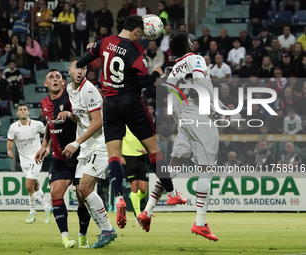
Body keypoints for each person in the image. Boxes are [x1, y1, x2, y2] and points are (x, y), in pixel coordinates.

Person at [76, 15, 186, 229]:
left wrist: (95, 49)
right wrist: (155, 72)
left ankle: (118, 198)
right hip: (131, 103)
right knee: (154, 151)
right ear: (137, 32)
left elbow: (81, 62)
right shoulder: (136, 51)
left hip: (109, 104)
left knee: (114, 157)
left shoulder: (104, 42)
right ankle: (172, 194)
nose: (141, 37)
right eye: (141, 34)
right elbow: (144, 82)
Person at [138, 32, 219, 240]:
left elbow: (172, 105)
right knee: (207, 170)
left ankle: (147, 211)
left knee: (173, 167)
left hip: (183, 119)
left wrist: (182, 121)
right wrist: (210, 109)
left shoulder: (173, 71)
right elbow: (199, 80)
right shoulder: (197, 59)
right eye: (191, 41)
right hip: (200, 116)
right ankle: (200, 222)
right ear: (189, 45)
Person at [61, 58, 117, 248]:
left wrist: (75, 143)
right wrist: (70, 115)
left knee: (85, 188)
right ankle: (102, 229)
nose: (80, 71)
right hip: (87, 147)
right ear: (69, 70)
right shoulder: (70, 89)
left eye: (83, 68)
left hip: (100, 144)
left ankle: (107, 229)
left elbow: (97, 122)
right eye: (77, 67)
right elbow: (82, 117)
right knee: (81, 194)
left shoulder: (89, 90)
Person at [34, 69, 82, 248]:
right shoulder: (44, 102)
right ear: (45, 84)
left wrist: (69, 115)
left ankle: (83, 233)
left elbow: (85, 120)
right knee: (55, 193)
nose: (55, 79)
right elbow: (49, 124)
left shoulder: (71, 98)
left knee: (82, 197)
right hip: (59, 158)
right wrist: (44, 146)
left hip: (79, 156)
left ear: (63, 83)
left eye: (58, 77)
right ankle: (65, 236)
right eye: (51, 78)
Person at [7, 104, 52, 223]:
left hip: (36, 157)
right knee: (35, 185)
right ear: (17, 113)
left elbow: (48, 134)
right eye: (20, 110)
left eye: (25, 109)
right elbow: (10, 140)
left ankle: (32, 212)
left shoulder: (37, 125)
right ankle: (47, 208)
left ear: (28, 112)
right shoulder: (13, 127)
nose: (22, 111)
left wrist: (47, 148)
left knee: (28, 185)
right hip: (23, 160)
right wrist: (9, 150)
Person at [121, 126, 149, 218]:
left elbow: (150, 138)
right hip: (128, 158)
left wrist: (147, 148)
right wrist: (120, 155)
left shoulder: (140, 124)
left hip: (141, 157)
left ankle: (135, 202)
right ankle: (138, 214)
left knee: (143, 188)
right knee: (134, 187)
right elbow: (118, 141)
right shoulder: (123, 126)